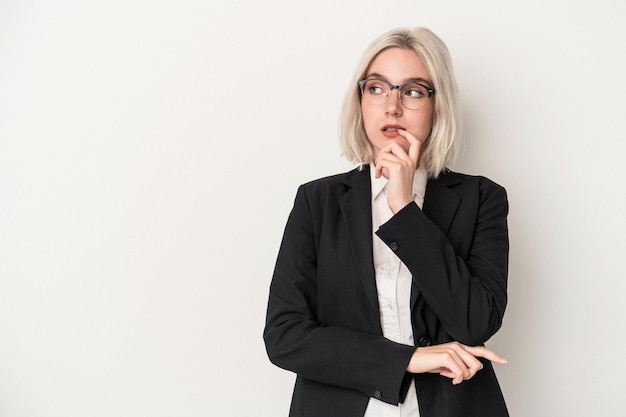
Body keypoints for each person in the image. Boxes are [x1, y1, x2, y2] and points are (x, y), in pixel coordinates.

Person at [264, 27, 510, 417]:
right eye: (377, 88)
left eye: (412, 91)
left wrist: (404, 209)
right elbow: (285, 336)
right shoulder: (318, 201)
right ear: (360, 100)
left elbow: (474, 321)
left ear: (438, 104)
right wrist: (409, 359)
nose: (392, 106)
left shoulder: (482, 199)